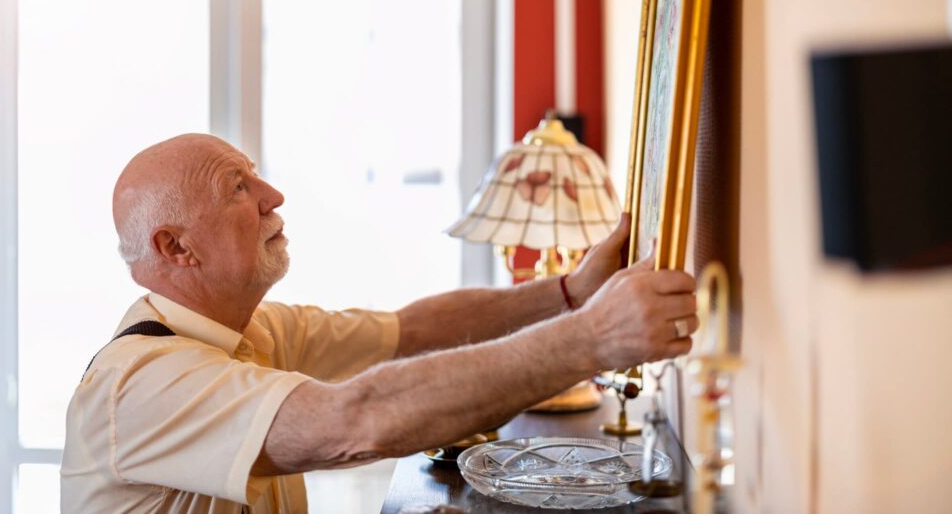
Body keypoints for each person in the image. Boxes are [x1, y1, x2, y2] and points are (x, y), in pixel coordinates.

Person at [61, 133, 698, 513]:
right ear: (176, 249)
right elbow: (354, 423)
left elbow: (413, 330)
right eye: (237, 187)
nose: (272, 196)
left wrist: (569, 293)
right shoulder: (137, 385)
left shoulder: (254, 333)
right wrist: (591, 339)